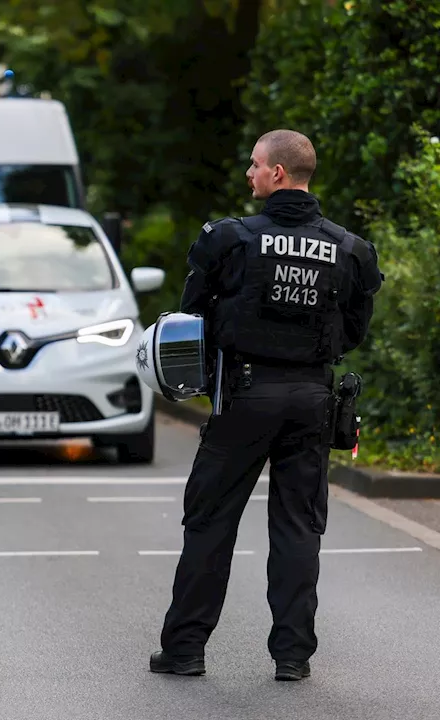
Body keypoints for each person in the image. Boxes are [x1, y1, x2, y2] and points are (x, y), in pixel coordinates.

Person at [150, 129, 382, 681]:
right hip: (311, 398)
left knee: (210, 522)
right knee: (299, 527)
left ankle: (184, 651)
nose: (248, 174)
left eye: (254, 165)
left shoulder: (229, 239)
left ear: (278, 174)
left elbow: (193, 314)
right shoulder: (350, 249)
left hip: (245, 398)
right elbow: (352, 331)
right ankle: (293, 657)